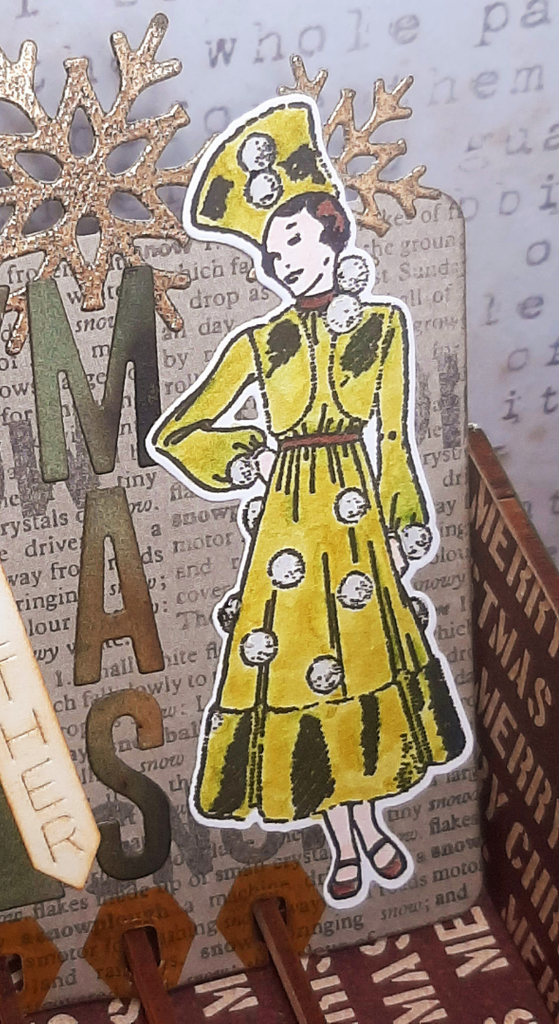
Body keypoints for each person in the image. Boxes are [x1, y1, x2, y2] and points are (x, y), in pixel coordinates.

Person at [149, 96, 469, 905]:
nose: (281, 262)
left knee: (359, 666)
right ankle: (351, 842)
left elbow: (392, 439)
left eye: (293, 241)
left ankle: (367, 835)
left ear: (332, 233)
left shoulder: (383, 328)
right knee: (303, 676)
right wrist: (247, 456)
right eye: (271, 251)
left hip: (357, 526)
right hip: (288, 533)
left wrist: (404, 525)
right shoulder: (261, 343)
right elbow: (177, 432)